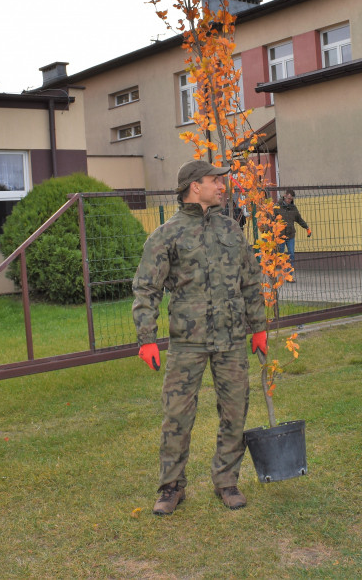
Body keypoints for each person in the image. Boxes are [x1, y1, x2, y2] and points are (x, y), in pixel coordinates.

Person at [132, 160, 267, 515]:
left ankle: (227, 481)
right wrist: (147, 337)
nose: (223, 186)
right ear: (195, 186)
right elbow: (147, 289)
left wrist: (259, 327)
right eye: (215, 180)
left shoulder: (232, 229)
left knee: (235, 411)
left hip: (232, 338)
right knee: (177, 416)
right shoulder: (167, 234)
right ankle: (171, 487)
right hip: (187, 343)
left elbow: (250, 280)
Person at [273, 189, 311, 271]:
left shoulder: (293, 208)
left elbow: (299, 219)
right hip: (280, 236)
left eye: (291, 199)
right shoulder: (277, 207)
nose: (289, 200)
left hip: (290, 235)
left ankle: (289, 275)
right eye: (288, 198)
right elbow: (272, 220)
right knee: (279, 255)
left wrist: (306, 227)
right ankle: (277, 275)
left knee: (291, 255)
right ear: (284, 196)